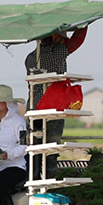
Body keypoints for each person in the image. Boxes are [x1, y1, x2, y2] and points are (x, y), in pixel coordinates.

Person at [25, 27, 88, 178]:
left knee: (35, 143)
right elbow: (77, 40)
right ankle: (49, 174)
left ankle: (32, 175)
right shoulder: (57, 52)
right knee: (51, 142)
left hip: (33, 107)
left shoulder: (30, 57)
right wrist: (84, 25)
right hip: (51, 105)